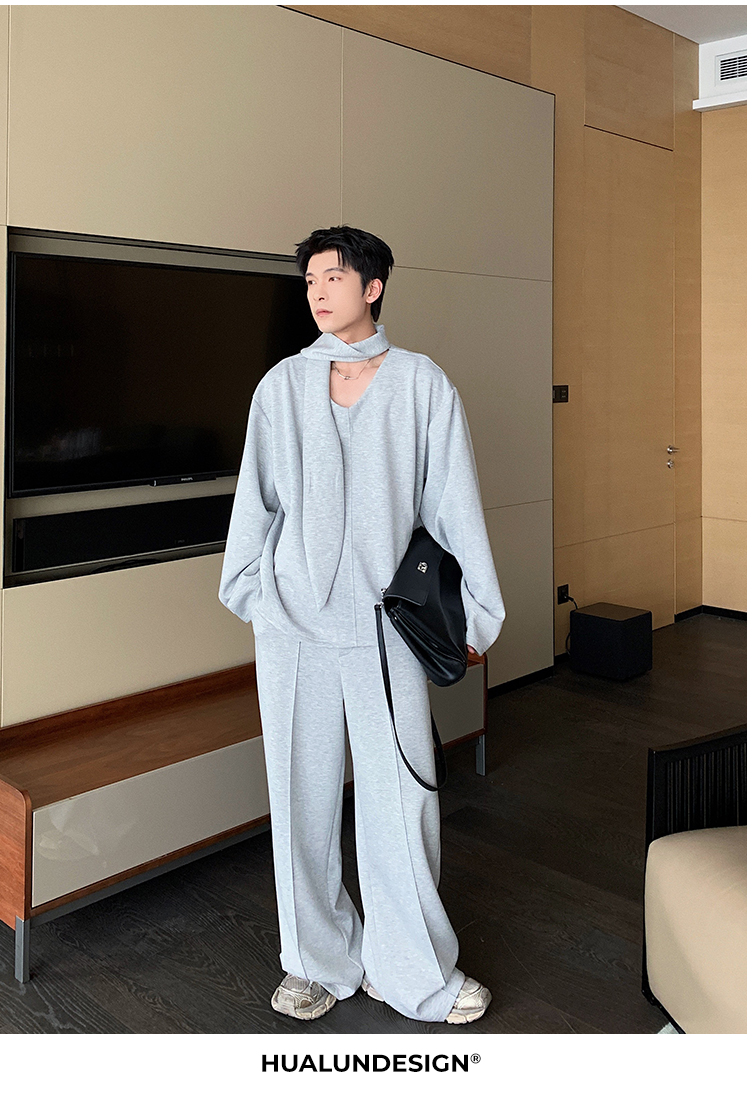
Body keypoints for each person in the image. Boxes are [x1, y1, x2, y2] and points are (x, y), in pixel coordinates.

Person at [219, 225, 506, 1024]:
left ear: (373, 286)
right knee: (300, 799)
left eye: (333, 276)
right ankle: (315, 961)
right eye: (309, 278)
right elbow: (254, 501)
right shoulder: (280, 387)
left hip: (389, 632)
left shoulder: (421, 385)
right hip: (294, 628)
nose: (317, 290)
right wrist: (253, 594)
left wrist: (479, 611)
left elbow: (454, 504)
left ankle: (411, 971)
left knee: (401, 800)